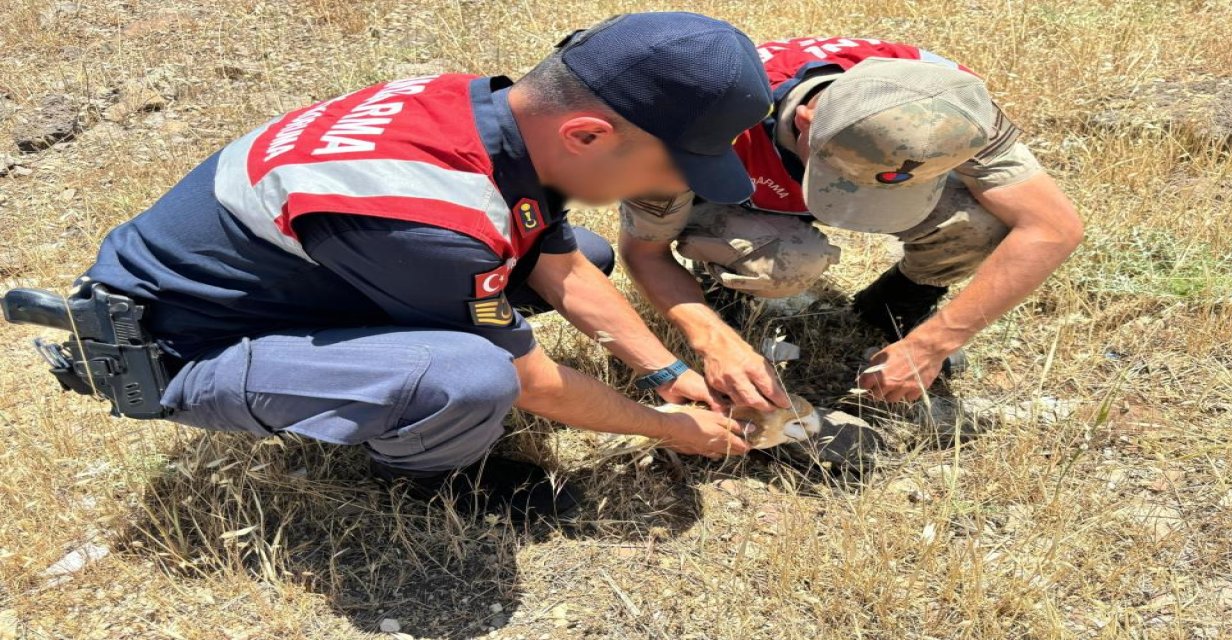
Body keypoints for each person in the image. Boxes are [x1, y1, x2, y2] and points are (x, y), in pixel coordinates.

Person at [48, 13, 776, 522]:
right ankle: (438, 476)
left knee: (583, 251)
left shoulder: (489, 114)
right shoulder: (428, 216)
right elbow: (535, 385)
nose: (666, 192)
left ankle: (397, 382)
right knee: (468, 376)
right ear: (587, 133)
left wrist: (664, 373)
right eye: (666, 170)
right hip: (179, 347)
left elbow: (557, 261)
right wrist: (667, 428)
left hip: (301, 280)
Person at [619, 37, 1083, 408]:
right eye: (840, 182)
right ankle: (725, 289)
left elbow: (1052, 227)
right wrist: (712, 340)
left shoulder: (950, 105)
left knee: (983, 219)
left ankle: (894, 305)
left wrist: (934, 342)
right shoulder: (704, 123)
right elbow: (644, 251)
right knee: (784, 264)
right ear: (805, 120)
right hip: (740, 194)